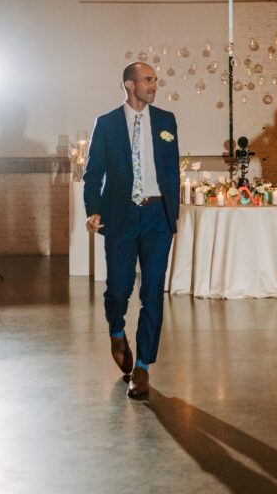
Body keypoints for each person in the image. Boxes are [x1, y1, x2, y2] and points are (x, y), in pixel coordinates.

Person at [84, 61, 179, 400]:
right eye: (149, 79)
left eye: (155, 79)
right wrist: (93, 210)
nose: (155, 84)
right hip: (120, 216)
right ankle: (116, 330)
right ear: (129, 84)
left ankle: (142, 367)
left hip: (157, 217)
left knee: (153, 292)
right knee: (119, 290)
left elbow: (171, 170)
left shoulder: (166, 121)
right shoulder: (107, 124)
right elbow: (93, 173)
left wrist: (173, 215)